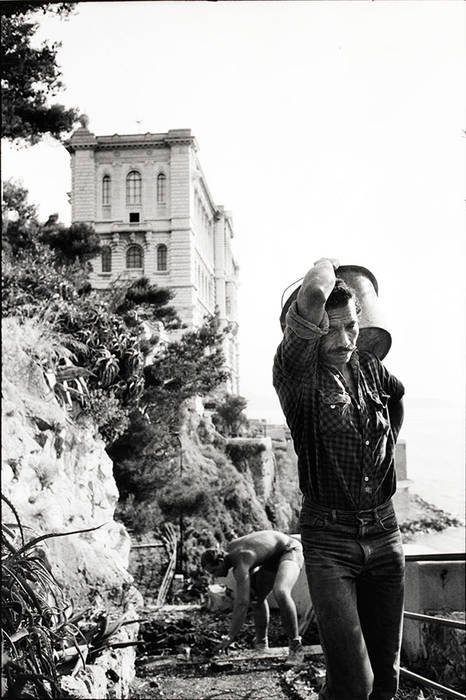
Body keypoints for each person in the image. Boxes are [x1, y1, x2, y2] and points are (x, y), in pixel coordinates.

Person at [273, 258, 405, 700]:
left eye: (352, 326)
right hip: (330, 543)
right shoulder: (297, 376)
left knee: (386, 682)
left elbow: (397, 399)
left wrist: (384, 458)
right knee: (355, 684)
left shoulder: (368, 368)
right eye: (335, 329)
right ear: (309, 331)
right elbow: (313, 290)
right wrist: (331, 264)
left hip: (385, 536)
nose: (348, 340)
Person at [200, 530, 305, 663]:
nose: (214, 576)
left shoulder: (240, 562)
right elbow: (255, 555)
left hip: (290, 549)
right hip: (271, 558)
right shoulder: (230, 551)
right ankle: (261, 644)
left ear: (221, 561)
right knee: (255, 596)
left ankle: (296, 647)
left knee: (281, 591)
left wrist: (230, 636)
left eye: (214, 571)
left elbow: (242, 604)